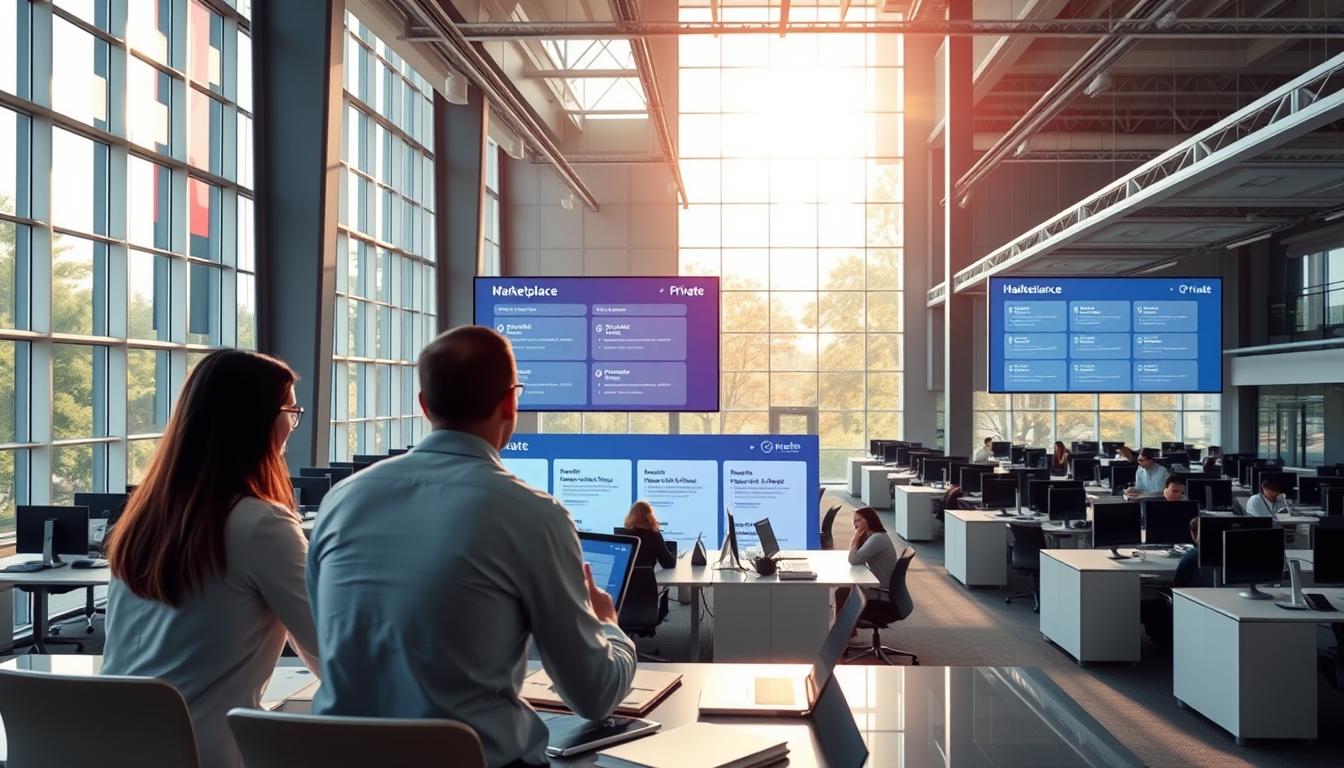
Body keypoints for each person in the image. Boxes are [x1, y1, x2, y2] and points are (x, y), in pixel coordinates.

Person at [308, 327, 636, 768]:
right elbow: (594, 695)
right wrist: (609, 625)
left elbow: (326, 631)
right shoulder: (534, 515)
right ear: (510, 402)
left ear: (425, 406)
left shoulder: (339, 500)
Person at [102, 351, 318, 768]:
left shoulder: (142, 519)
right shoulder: (260, 524)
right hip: (204, 754)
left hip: (113, 746)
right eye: (291, 410)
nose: (293, 424)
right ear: (258, 420)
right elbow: (327, 647)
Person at [848, 507, 899, 596]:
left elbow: (853, 560)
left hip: (878, 586)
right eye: (854, 521)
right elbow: (855, 554)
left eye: (858, 520)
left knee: (843, 591)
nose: (855, 525)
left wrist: (857, 534)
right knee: (844, 591)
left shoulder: (877, 539)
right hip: (877, 580)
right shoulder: (872, 535)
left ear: (868, 520)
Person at [619, 500, 676, 569]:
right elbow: (669, 564)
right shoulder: (655, 536)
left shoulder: (623, 535)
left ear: (631, 516)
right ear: (650, 517)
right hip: (647, 578)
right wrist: (673, 551)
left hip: (627, 579)